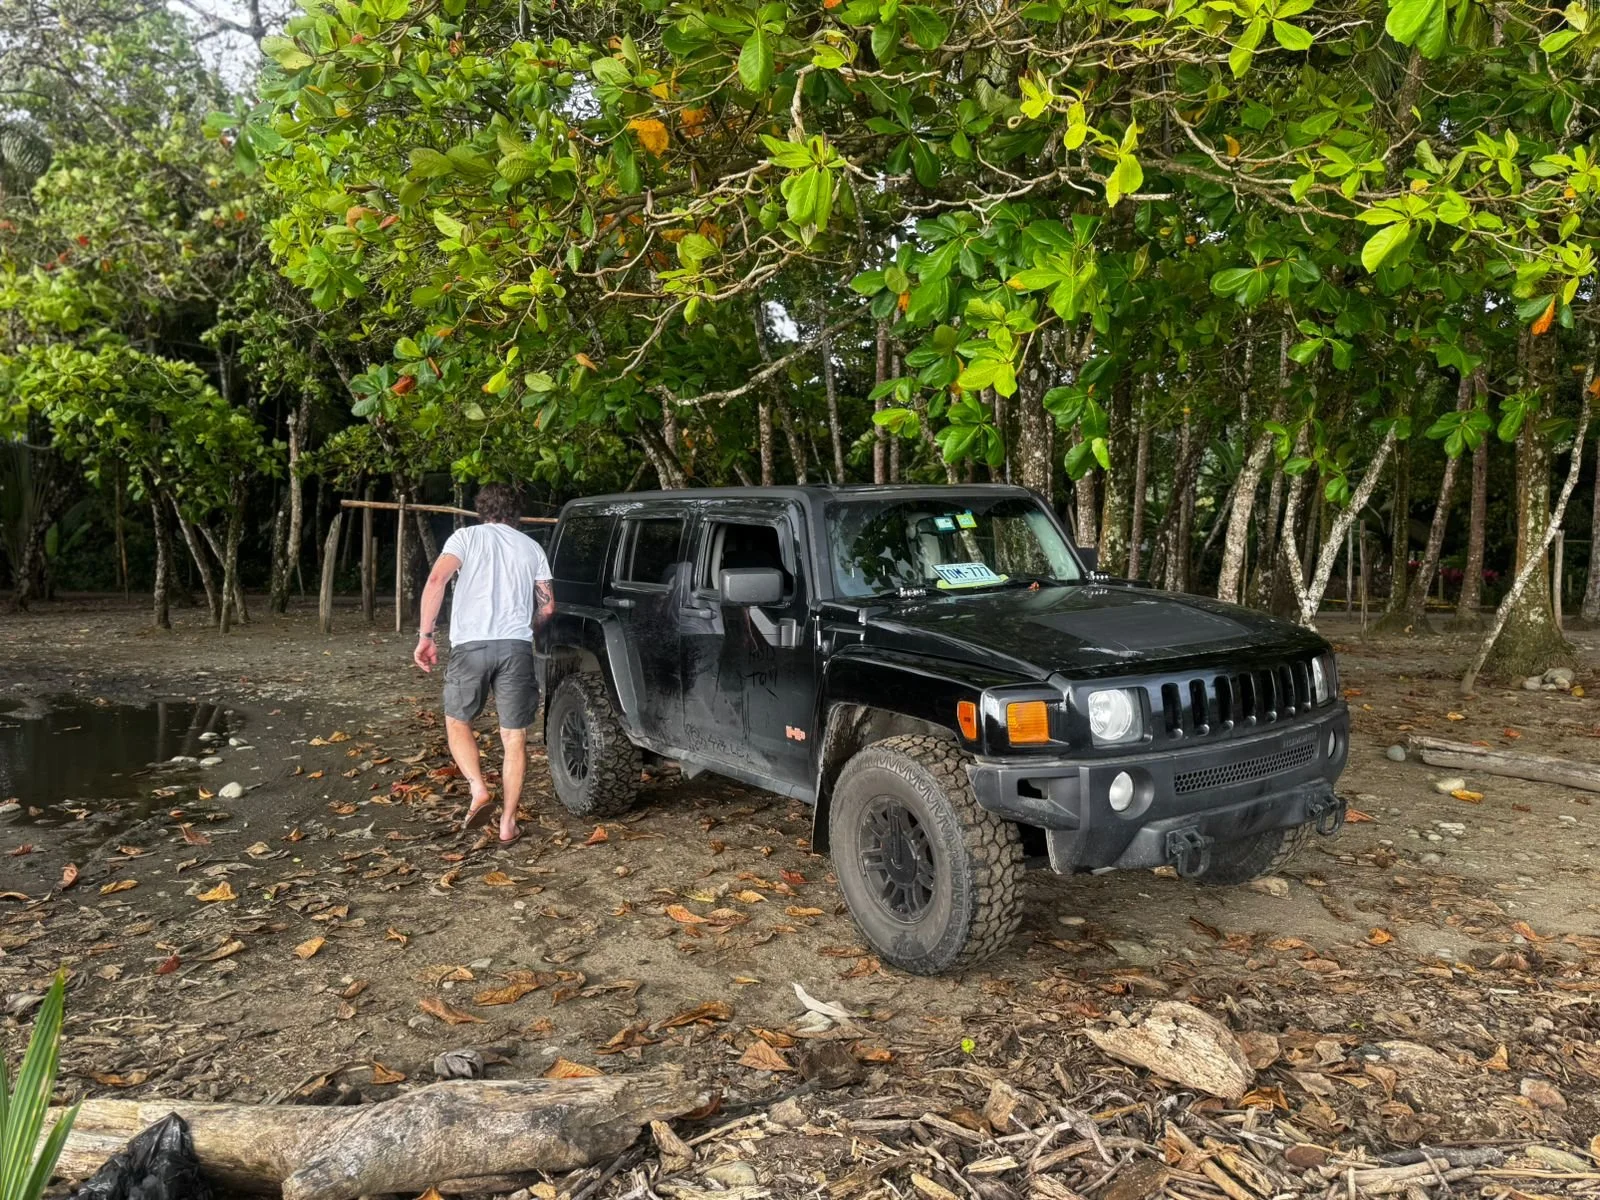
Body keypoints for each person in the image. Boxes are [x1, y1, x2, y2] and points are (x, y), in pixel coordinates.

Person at [413, 484, 553, 843]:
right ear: (516, 513)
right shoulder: (533, 547)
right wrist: (527, 629)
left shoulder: (465, 538)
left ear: (481, 510)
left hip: (471, 646)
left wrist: (426, 636)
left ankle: (478, 789)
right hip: (516, 647)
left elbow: (436, 579)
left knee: (458, 721)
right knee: (514, 737)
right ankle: (508, 823)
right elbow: (548, 606)